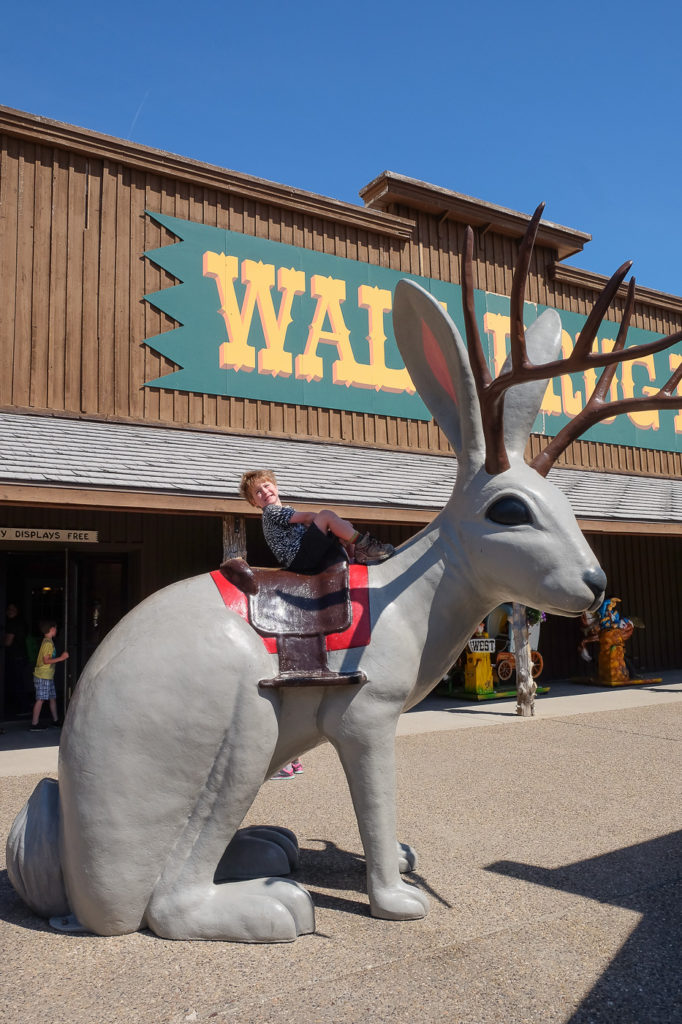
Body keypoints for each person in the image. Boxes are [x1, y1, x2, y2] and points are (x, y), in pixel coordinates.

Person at [239, 469, 394, 573]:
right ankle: (365, 546)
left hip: (304, 555)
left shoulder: (286, 510)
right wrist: (334, 522)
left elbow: (308, 525)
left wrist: (337, 526)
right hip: (298, 558)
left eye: (266, 485)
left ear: (276, 487)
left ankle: (355, 558)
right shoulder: (270, 511)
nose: (265, 492)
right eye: (258, 492)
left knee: (341, 529)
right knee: (327, 516)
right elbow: (308, 518)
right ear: (254, 502)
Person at [30, 620, 68, 731]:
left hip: (47, 676)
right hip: (43, 676)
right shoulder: (47, 643)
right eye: (56, 628)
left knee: (52, 698)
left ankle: (55, 721)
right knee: (41, 699)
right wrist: (62, 658)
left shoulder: (48, 642)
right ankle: (34, 724)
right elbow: (46, 661)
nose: (56, 630)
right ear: (52, 629)